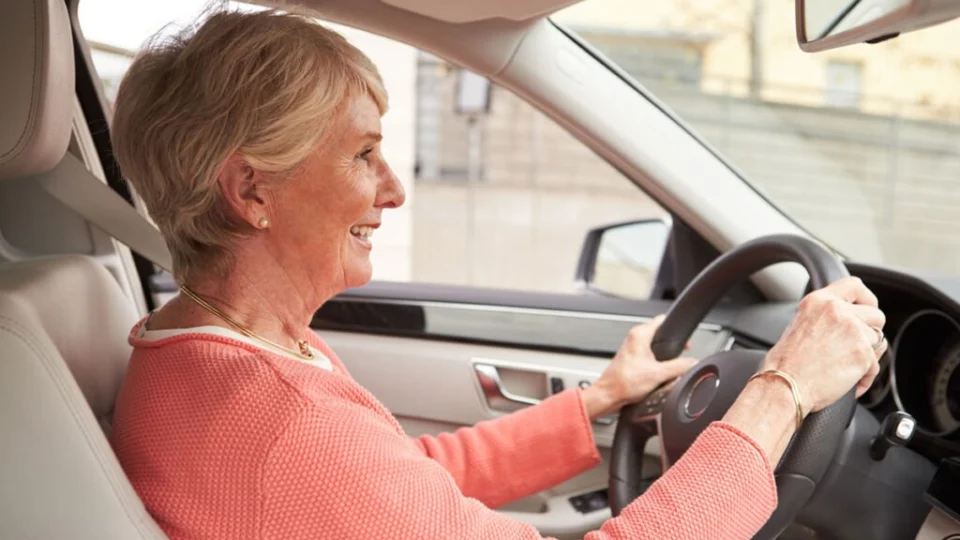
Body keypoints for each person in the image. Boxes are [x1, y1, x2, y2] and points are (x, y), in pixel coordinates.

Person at [108, 8, 887, 540]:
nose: (394, 188)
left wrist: (598, 403)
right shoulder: (277, 422)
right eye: (361, 154)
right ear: (252, 191)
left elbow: (405, 484)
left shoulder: (210, 348)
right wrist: (780, 390)